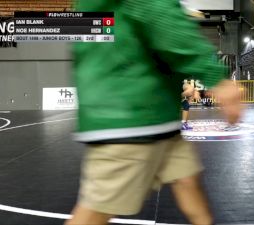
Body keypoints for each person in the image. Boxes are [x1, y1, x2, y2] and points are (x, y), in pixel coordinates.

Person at [65, 1, 242, 225]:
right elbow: (164, 21)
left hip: (156, 115)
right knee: (96, 210)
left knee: (187, 180)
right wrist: (217, 77)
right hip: (131, 116)